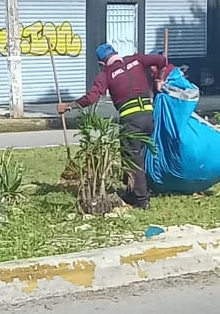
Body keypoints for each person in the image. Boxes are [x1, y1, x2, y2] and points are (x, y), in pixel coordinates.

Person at [57, 43, 168, 210]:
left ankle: (142, 200)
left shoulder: (106, 74)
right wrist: (159, 78)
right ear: (117, 53)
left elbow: (91, 97)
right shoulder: (136, 59)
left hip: (132, 121)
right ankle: (132, 192)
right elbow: (162, 60)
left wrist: (68, 106)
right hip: (149, 117)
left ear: (101, 63)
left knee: (133, 159)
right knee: (138, 155)